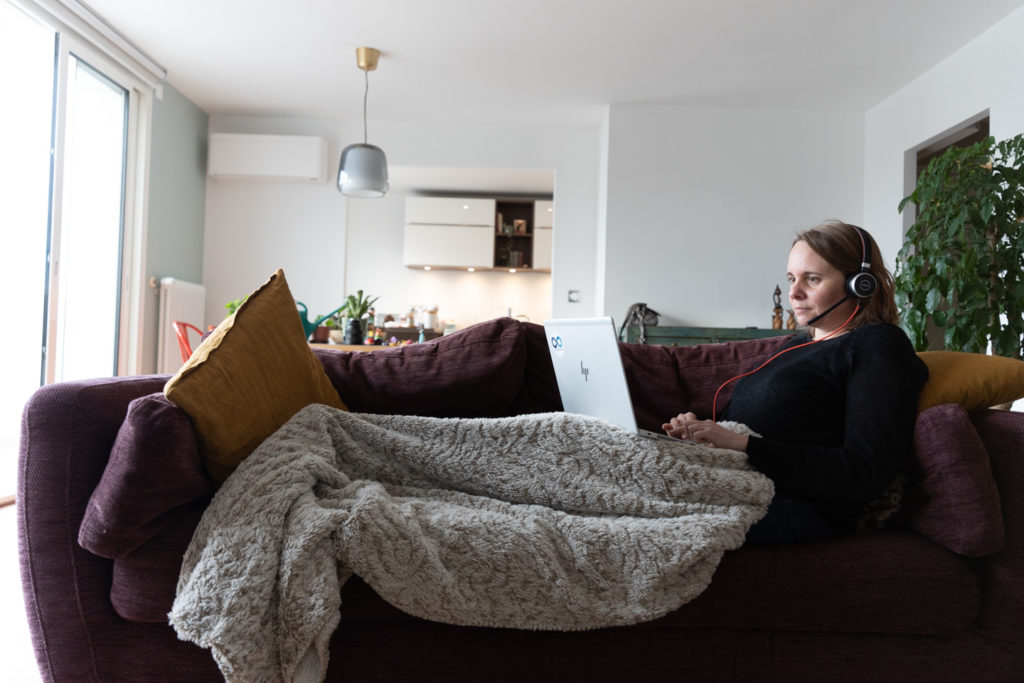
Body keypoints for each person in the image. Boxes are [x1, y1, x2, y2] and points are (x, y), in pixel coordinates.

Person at [662, 220, 928, 543]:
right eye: (791, 278)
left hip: (797, 505)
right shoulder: (792, 347)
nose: (793, 292)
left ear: (860, 284)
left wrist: (744, 445)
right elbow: (732, 426)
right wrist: (697, 430)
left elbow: (864, 471)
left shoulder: (877, 345)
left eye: (811, 279)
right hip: (731, 481)